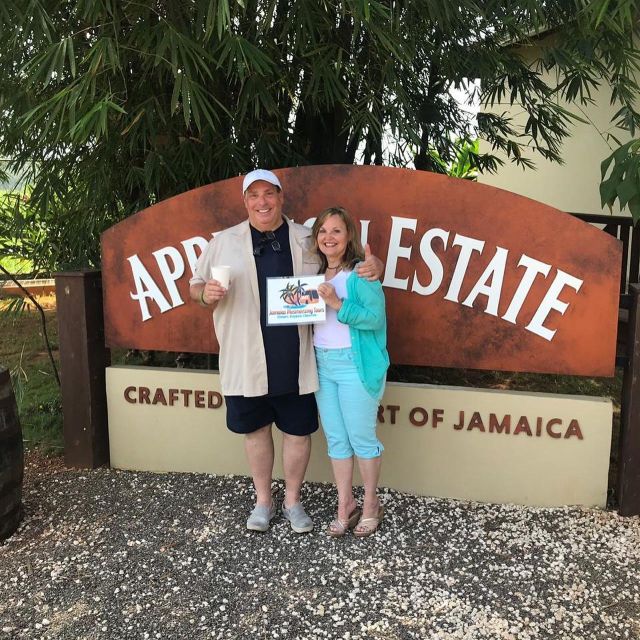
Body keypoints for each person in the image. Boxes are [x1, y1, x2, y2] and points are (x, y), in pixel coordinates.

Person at [189, 170, 382, 533]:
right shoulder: (224, 242)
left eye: (269, 194)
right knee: (256, 429)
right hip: (246, 355)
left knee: (297, 430)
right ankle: (264, 500)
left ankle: (293, 501)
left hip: (297, 355)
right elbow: (195, 284)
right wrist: (204, 294)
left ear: (280, 197)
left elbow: (342, 263)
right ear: (245, 201)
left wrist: (374, 266)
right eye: (253, 195)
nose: (262, 202)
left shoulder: (305, 237)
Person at [311, 206, 389, 538]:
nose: (329, 237)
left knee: (361, 439)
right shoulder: (311, 276)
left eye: (336, 231)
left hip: (354, 365)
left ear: (348, 237)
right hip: (321, 364)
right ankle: (346, 505)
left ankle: (371, 505)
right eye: (323, 231)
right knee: (337, 440)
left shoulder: (361, 274)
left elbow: (374, 319)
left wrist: (338, 304)